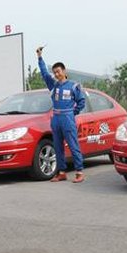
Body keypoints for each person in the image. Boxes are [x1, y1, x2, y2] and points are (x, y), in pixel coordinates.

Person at [37, 46, 86, 183]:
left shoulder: (73, 86)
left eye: (58, 71)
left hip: (68, 118)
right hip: (56, 118)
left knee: (73, 145)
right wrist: (40, 58)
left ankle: (79, 172)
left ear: (64, 71)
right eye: (54, 72)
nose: (56, 74)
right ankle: (62, 172)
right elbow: (44, 73)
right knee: (58, 147)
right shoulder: (53, 86)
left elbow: (81, 102)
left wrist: (72, 113)